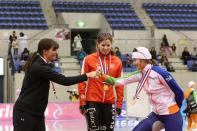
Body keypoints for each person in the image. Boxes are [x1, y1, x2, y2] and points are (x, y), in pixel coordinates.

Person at [12, 38, 100, 131]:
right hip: (25, 112)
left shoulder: (40, 64)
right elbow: (64, 81)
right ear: (45, 51)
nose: (56, 52)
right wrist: (87, 75)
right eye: (53, 50)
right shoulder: (40, 67)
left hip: (36, 113)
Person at [101, 47, 184, 131]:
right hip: (156, 115)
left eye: (135, 60)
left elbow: (179, 92)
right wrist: (102, 76)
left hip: (171, 114)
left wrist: (176, 108)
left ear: (142, 59)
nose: (134, 63)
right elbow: (119, 81)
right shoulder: (139, 74)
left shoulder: (160, 73)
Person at [78, 33, 124, 131]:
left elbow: (119, 84)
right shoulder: (88, 59)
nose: (106, 48)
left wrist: (119, 104)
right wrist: (82, 102)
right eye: (103, 45)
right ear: (98, 44)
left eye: (108, 45)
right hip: (92, 101)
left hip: (109, 102)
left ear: (111, 45)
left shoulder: (117, 61)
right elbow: (82, 81)